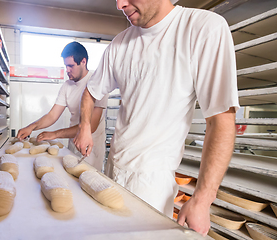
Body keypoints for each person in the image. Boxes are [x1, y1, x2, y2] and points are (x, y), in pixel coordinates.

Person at [73, 0, 239, 236]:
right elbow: (91, 92)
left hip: (152, 184)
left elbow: (220, 119)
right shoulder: (120, 43)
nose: (120, 4)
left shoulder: (201, 27)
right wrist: (84, 128)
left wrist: (202, 199)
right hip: (112, 171)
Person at [17, 41, 109, 171]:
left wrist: (55, 134)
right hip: (72, 146)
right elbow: (52, 115)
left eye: (71, 66)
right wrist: (31, 127)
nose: (67, 70)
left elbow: (92, 126)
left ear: (83, 61)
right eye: (66, 66)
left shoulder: (96, 83)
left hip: (91, 151)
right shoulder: (67, 85)